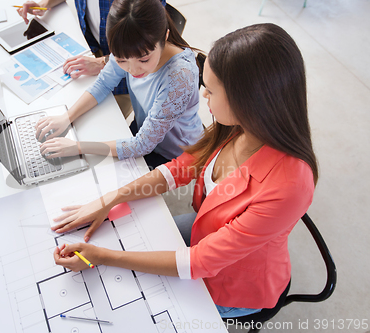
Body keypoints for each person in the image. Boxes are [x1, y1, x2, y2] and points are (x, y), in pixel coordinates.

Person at [51, 23, 318, 318]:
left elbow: (199, 262)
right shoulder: (240, 127)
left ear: (250, 100)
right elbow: (180, 168)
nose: (203, 97)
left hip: (234, 283)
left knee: (132, 304)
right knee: (121, 244)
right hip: (206, 229)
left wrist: (103, 257)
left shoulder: (291, 184)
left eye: (211, 90)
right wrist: (109, 200)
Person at [34, 0, 203, 169]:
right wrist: (66, 118)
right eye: (121, 60)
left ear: (164, 37)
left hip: (176, 153)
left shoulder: (180, 75)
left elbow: (142, 145)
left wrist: (77, 147)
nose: (133, 69)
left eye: (144, 59)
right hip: (145, 127)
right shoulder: (128, 45)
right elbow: (103, 83)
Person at [18, 0, 166, 118]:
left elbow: (146, 47)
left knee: (95, 124)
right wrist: (44, 4)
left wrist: (103, 62)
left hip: (124, 75)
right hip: (95, 51)